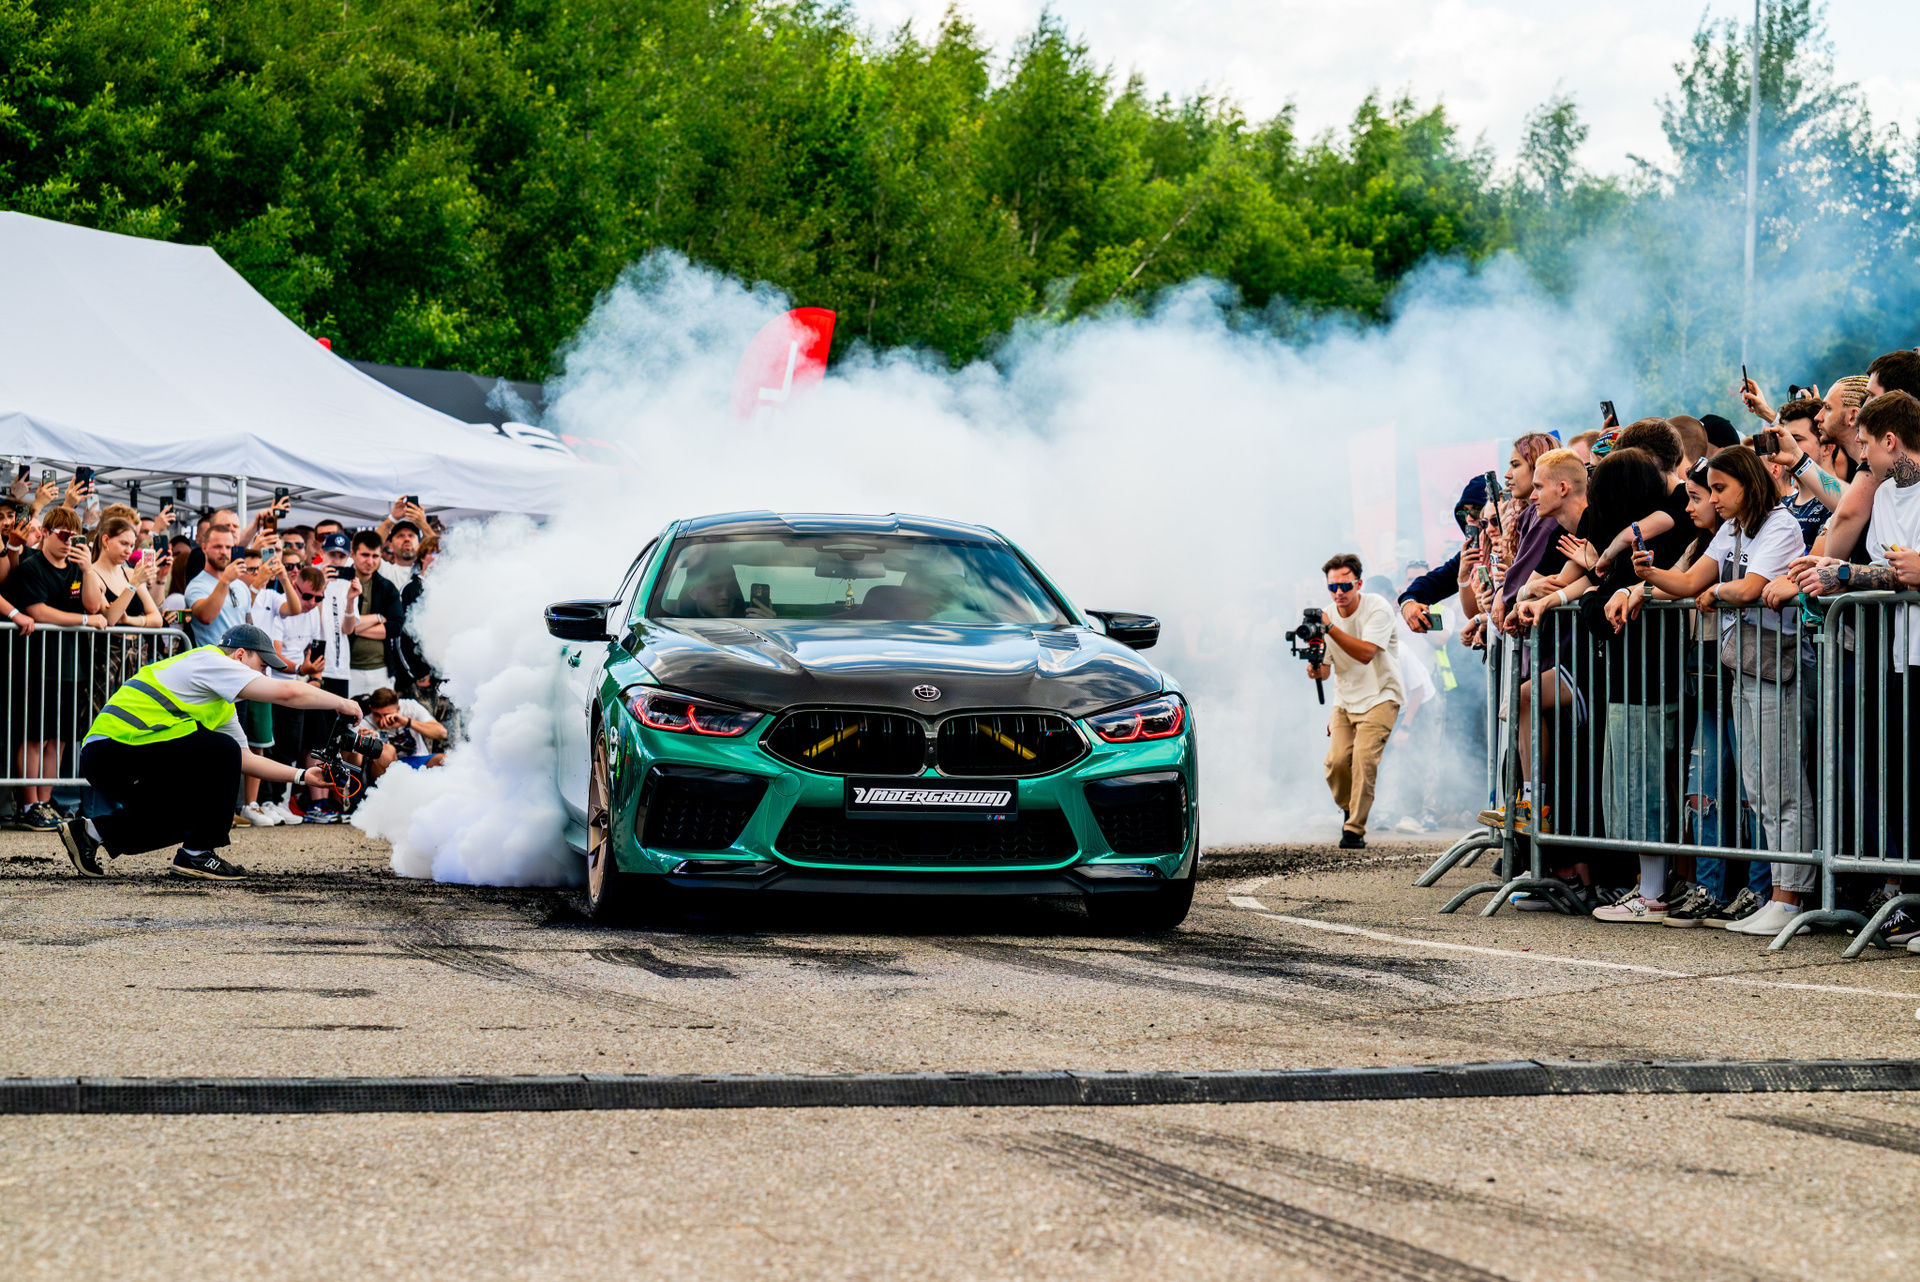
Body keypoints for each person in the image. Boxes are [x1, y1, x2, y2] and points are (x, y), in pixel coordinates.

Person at [1635, 445, 1812, 935]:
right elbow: (1689, 581)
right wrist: (1649, 575)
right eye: (1710, 489)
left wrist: (1714, 592)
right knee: (1758, 787)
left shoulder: (1780, 525)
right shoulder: (1732, 529)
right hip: (1744, 667)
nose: (1713, 498)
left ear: (1748, 485)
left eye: (1720, 488)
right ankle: (1779, 895)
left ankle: (1790, 899)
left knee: (1781, 786)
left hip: (1777, 668)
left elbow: (1750, 588)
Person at [56, 624, 362, 881]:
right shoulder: (212, 661)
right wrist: (341, 702)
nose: (264, 676)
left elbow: (245, 759)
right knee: (223, 752)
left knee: (190, 814)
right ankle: (198, 853)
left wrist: (303, 776)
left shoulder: (221, 702)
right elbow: (287, 693)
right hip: (115, 750)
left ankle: (90, 833)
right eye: (262, 667)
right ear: (240, 655)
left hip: (118, 756)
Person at [4, 505, 102, 830]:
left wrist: (88, 570)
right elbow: (38, 611)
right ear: (45, 533)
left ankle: (45, 802)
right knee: (35, 737)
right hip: (37, 664)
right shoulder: (31, 567)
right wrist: (85, 620)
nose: (68, 542)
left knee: (59, 739)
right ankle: (29, 804)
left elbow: (93, 604)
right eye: (62, 535)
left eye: (74, 537)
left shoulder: (77, 569)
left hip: (71, 666)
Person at [1309, 553, 1403, 850]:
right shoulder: (1326, 616)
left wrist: (1330, 628)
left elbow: (1365, 654)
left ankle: (1353, 829)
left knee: (1364, 759)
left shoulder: (1377, 607)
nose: (1338, 592)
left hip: (1382, 695)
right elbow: (1325, 671)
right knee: (1335, 762)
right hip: (1345, 699)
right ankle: (1350, 808)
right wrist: (1314, 668)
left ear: (1358, 584)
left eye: (1345, 586)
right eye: (1332, 587)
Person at [343, 529, 405, 697]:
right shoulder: (340, 584)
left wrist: (353, 628)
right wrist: (377, 618)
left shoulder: (387, 587)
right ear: (353, 554)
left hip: (381, 670)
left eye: (375, 556)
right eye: (365, 555)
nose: (370, 561)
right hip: (347, 669)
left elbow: (396, 627)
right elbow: (337, 624)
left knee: (383, 714)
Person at [355, 687, 448, 784]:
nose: (382, 720)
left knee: (445, 760)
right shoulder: (364, 723)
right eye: (377, 715)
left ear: (398, 708)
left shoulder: (409, 707)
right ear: (371, 709)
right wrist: (361, 743)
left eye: (387, 715)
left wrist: (407, 722)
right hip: (386, 768)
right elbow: (355, 763)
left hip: (417, 759)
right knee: (386, 751)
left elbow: (442, 733)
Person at [87, 515, 164, 628]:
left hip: (137, 640)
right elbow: (111, 619)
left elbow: (157, 620)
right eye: (124, 543)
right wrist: (134, 584)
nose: (129, 551)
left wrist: (128, 620)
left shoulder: (130, 573)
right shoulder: (91, 574)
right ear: (105, 540)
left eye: (132, 546)